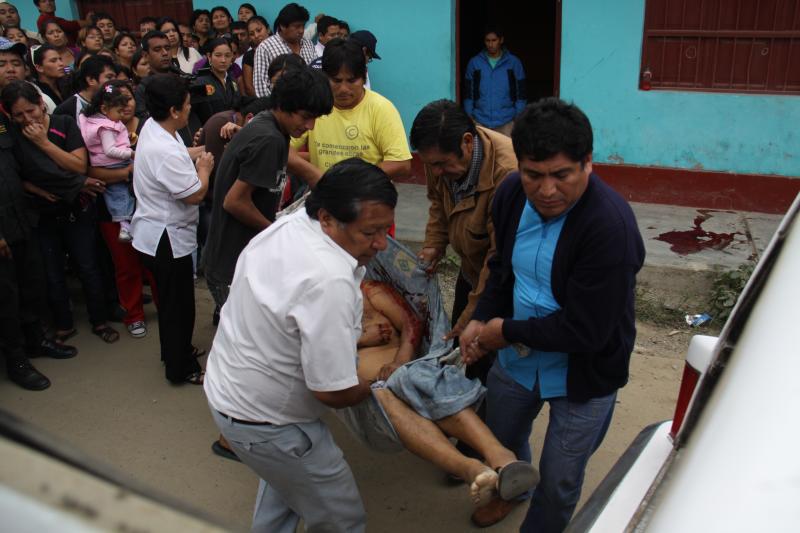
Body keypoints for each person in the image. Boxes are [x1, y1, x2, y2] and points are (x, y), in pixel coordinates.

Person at [458, 98, 646, 530]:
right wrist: (479, 316)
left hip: (583, 374)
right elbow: (501, 267)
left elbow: (588, 331)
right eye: (533, 175)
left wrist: (501, 331)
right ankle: (515, 489)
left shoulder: (609, 228)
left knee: (561, 479)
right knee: (502, 444)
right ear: (519, 165)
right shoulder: (509, 195)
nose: (546, 190)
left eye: (562, 175)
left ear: (588, 164)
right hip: (516, 364)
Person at [204, 159, 395, 532]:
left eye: (385, 229)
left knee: (285, 495)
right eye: (370, 232)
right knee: (342, 519)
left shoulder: (291, 224)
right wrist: (380, 384)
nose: (381, 243)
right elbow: (332, 391)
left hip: (231, 397)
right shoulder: (329, 280)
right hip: (271, 424)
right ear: (327, 218)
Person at [203, 67, 330, 325]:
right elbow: (234, 201)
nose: (310, 126)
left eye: (315, 118)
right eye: (306, 117)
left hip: (230, 259)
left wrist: (322, 182)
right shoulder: (269, 138)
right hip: (233, 265)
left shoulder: (270, 125)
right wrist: (277, 233)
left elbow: (290, 162)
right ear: (284, 104)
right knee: (245, 344)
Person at [1, 80, 119, 344]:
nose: (26, 118)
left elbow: (78, 166)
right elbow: (18, 175)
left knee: (88, 266)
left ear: (41, 104)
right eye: (18, 115)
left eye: (31, 111)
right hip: (41, 213)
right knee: (51, 272)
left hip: (77, 209)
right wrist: (42, 187)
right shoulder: (13, 135)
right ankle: (64, 324)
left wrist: (44, 144)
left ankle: (99, 321)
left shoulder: (64, 124)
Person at [410, 99, 516, 371]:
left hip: (501, 281)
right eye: (430, 165)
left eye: (441, 165)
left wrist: (474, 315)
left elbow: (499, 257)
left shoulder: (507, 175)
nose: (435, 172)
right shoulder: (439, 156)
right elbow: (437, 201)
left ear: (467, 142)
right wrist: (434, 244)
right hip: (470, 270)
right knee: (459, 346)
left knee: (483, 351)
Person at [131, 73, 213, 384]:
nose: (191, 110)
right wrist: (204, 169)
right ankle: (181, 369)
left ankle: (174, 351)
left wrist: (206, 148)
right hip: (166, 237)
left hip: (156, 232)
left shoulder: (155, 127)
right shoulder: (162, 149)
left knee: (171, 302)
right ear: (175, 111)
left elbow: (181, 155)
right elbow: (195, 194)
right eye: (188, 105)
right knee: (179, 306)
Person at [0, 111, 77, 391]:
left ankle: (36, 341)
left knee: (31, 284)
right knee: (6, 300)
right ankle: (17, 361)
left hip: (21, 217)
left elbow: (21, 167)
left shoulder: (4, 120)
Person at [289, 38, 411, 188]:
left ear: (364, 76)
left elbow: (401, 163)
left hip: (368, 200)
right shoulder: (314, 106)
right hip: (323, 197)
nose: (344, 89)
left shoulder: (381, 108)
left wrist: (352, 182)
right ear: (324, 76)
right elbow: (283, 149)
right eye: (336, 81)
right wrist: (312, 173)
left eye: (351, 81)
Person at [88, 81, 154, 339]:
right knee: (126, 266)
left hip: (148, 207)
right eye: (118, 101)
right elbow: (90, 171)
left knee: (154, 262)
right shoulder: (98, 130)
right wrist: (126, 170)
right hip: (113, 212)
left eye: (128, 98)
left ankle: (165, 306)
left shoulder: (149, 126)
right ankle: (134, 315)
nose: (125, 104)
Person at [79, 80, 135, 242]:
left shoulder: (92, 120)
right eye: (118, 111)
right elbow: (110, 150)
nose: (121, 115)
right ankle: (124, 224)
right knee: (120, 193)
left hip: (108, 162)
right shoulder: (106, 127)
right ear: (104, 109)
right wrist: (130, 153)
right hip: (114, 163)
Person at [464, 27, 527, 136]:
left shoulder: (513, 63)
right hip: (480, 121)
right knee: (482, 153)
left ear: (501, 40)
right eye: (487, 41)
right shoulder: (475, 63)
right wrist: (470, 116)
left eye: (494, 40)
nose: (490, 44)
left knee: (506, 153)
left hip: (507, 122)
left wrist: (517, 117)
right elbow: (468, 93)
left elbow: (521, 93)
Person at [253, 2, 316, 97]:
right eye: (297, 26)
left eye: (303, 26)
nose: (301, 30)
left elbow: (316, 75)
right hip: (280, 108)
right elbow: (261, 87)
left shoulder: (308, 44)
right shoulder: (265, 47)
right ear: (282, 26)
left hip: (309, 106)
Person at [191, 37, 240, 126]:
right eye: (218, 55)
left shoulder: (232, 79)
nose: (223, 60)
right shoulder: (200, 82)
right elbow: (192, 113)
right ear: (209, 56)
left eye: (227, 55)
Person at [53, 54, 115, 122]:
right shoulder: (66, 110)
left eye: (115, 77)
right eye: (109, 77)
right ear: (91, 80)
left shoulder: (115, 102)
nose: (115, 81)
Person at [133, 31, 172, 118]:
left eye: (167, 48)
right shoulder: (143, 89)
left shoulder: (181, 79)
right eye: (157, 49)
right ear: (145, 55)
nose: (165, 53)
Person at [240, 15, 269, 97]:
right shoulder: (249, 56)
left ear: (268, 29)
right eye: (252, 34)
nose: (256, 36)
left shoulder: (280, 48)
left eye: (259, 30)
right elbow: (249, 87)